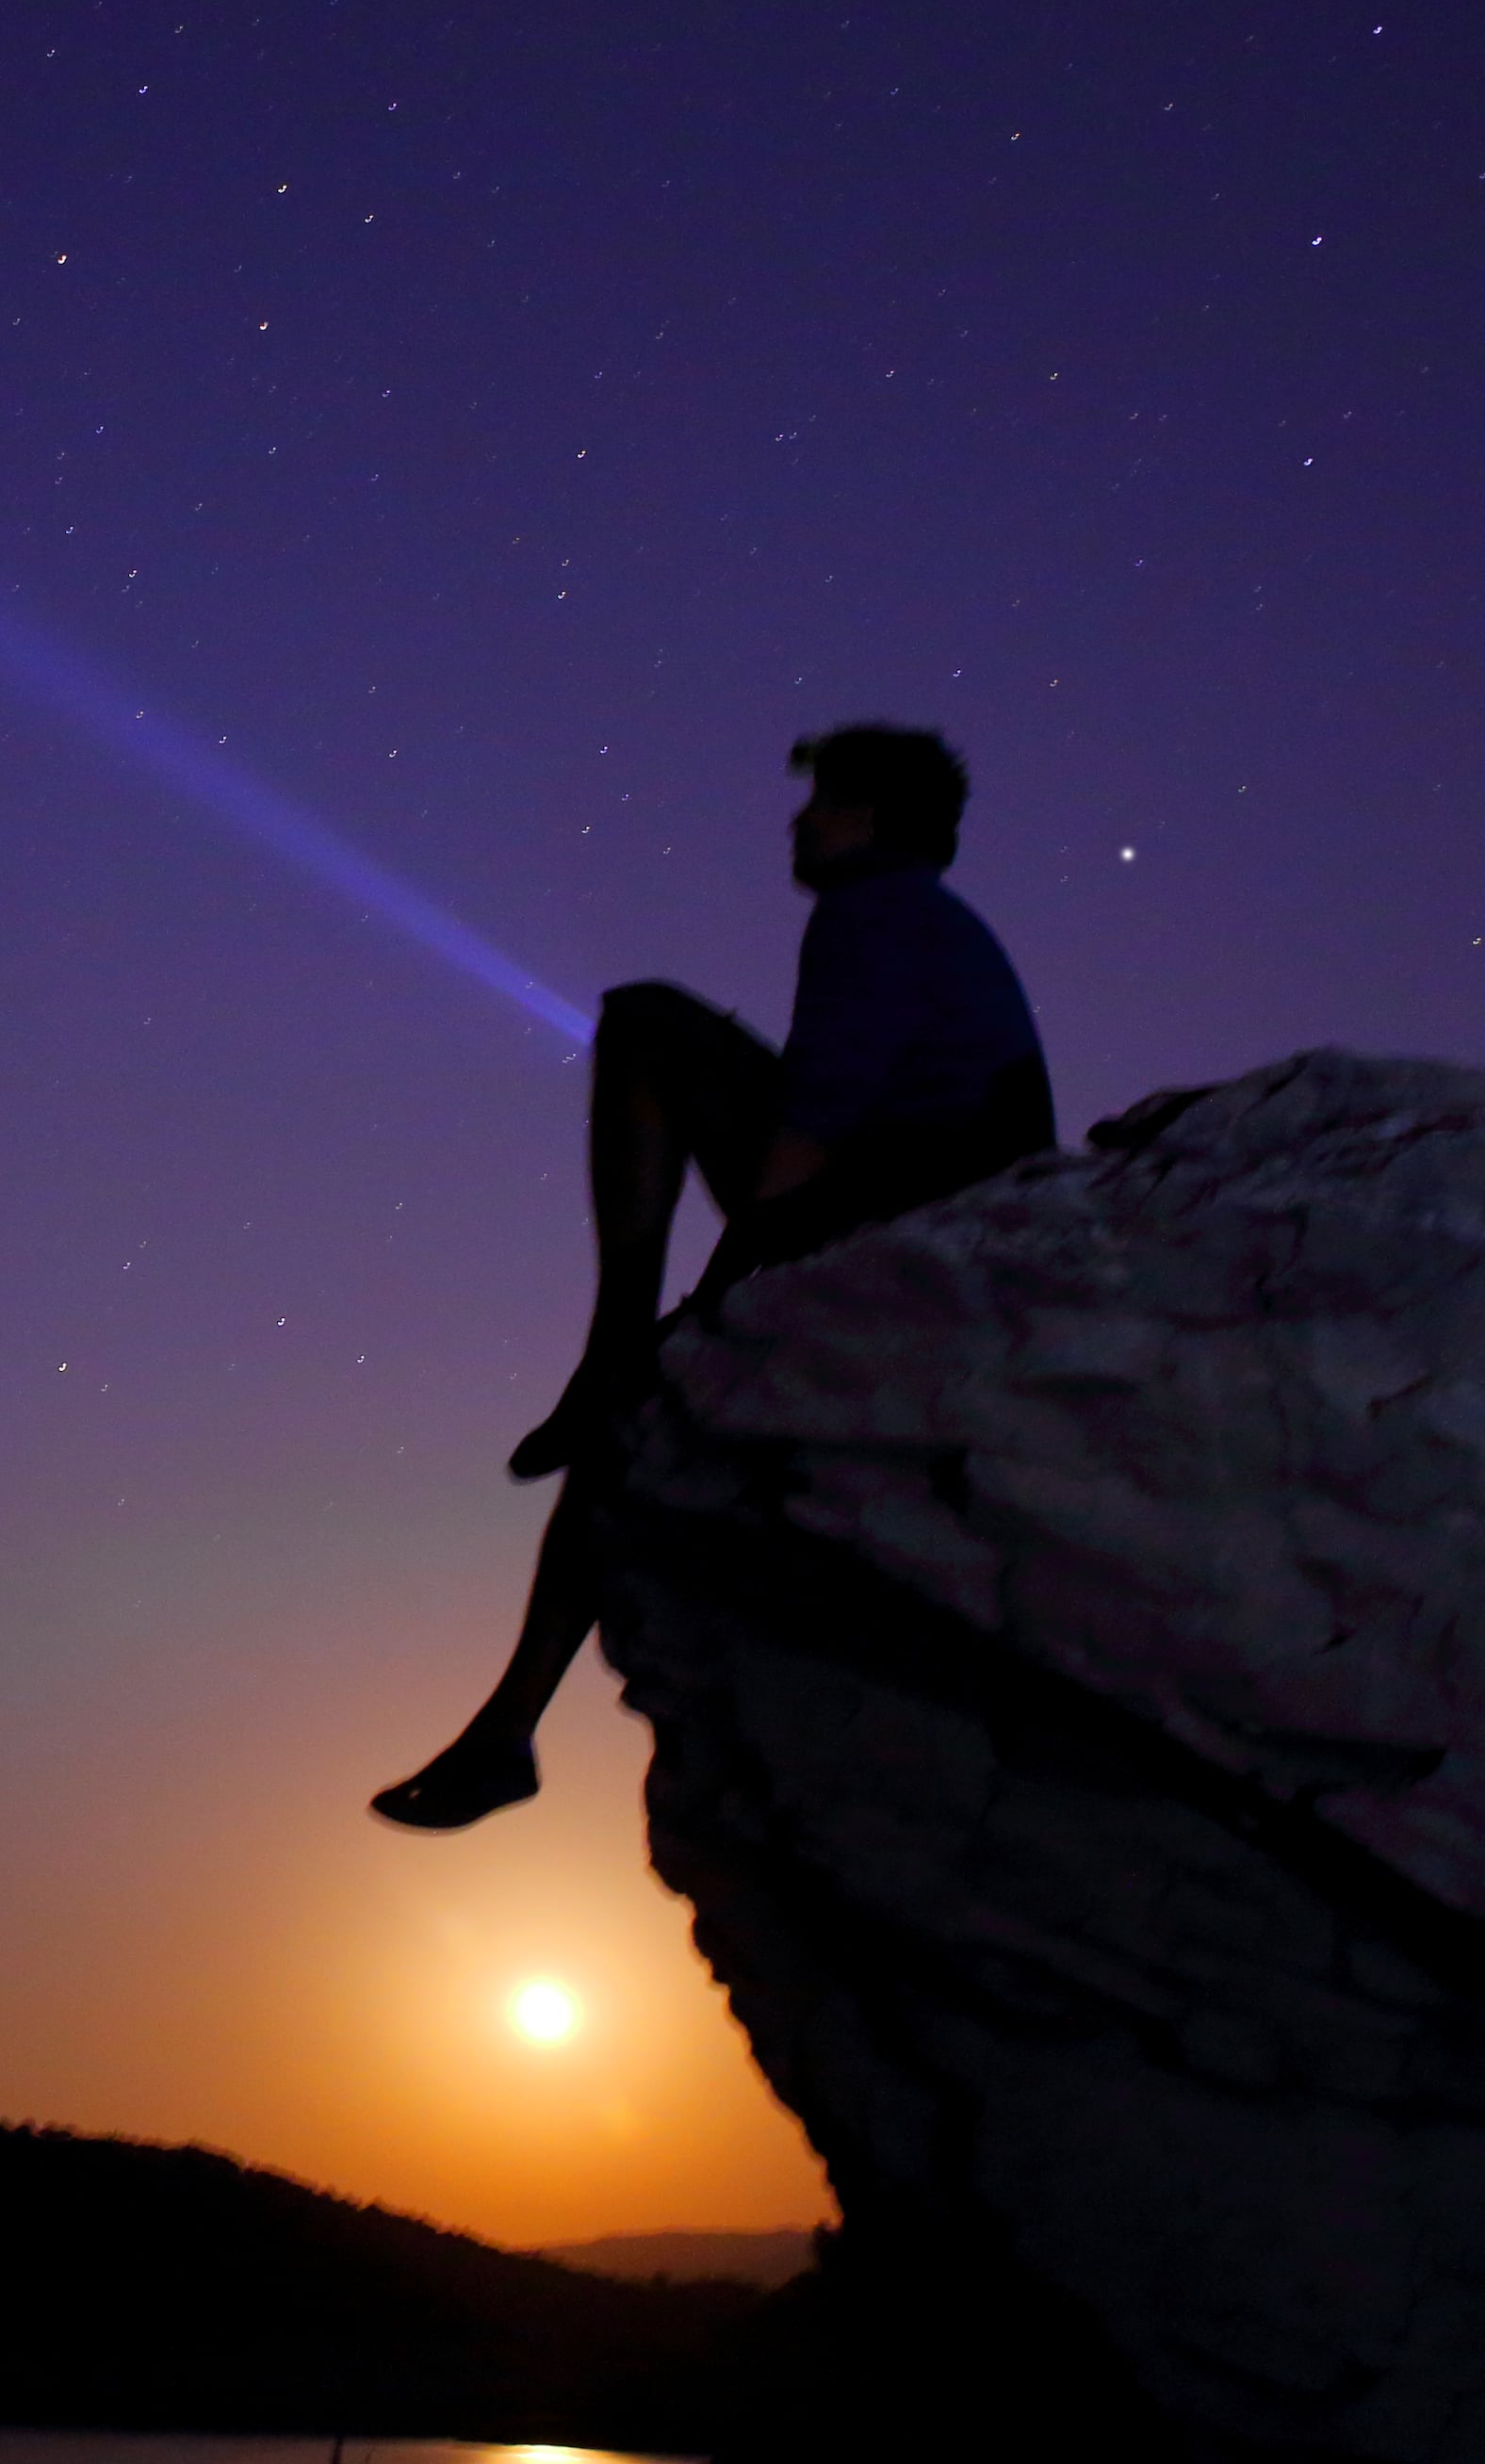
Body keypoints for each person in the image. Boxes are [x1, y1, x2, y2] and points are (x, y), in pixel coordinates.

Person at [370, 725, 1053, 1830]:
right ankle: (505, 1726)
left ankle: (607, 1364)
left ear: (867, 817)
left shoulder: (872, 911)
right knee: (638, 1394)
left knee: (643, 1022)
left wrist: (725, 1291)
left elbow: (820, 1111)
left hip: (910, 1211)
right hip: (913, 1193)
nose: (797, 821)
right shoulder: (922, 919)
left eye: (819, 802)